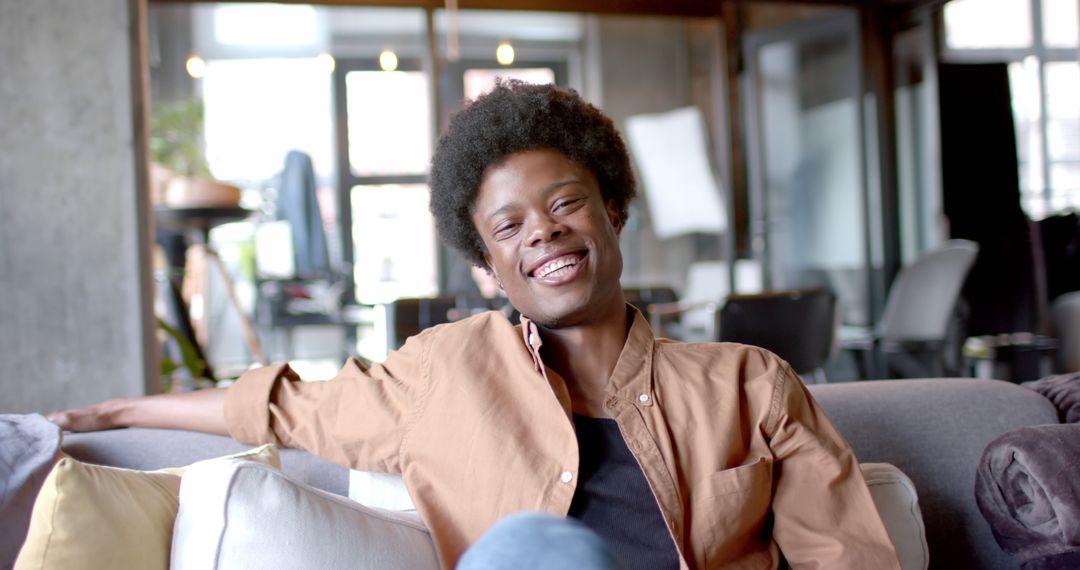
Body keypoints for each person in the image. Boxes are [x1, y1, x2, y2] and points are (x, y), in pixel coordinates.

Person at [50, 81, 900, 570]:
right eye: (509, 226)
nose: (544, 231)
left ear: (612, 212)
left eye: (566, 203)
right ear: (488, 269)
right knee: (535, 548)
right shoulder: (441, 375)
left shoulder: (750, 383)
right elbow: (281, 406)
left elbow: (848, 558)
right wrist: (113, 416)